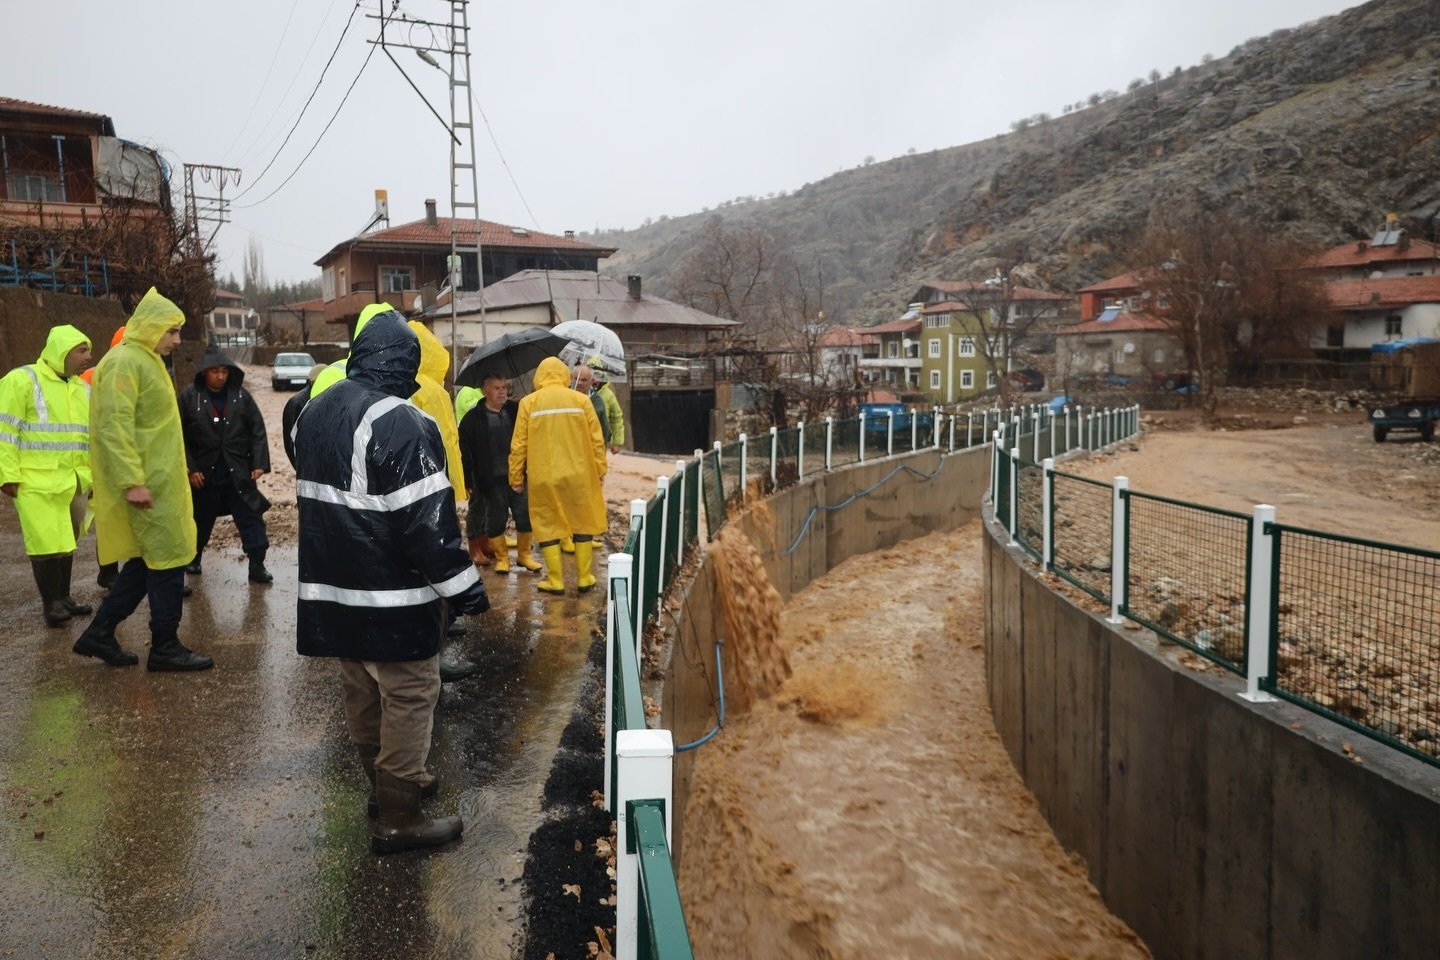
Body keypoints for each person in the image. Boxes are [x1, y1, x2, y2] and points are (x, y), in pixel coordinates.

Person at [293, 309, 487, 854]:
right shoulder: (402, 421)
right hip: (391, 594)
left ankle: (384, 789)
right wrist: (464, 589)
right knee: (409, 690)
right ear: (406, 365)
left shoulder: (316, 411)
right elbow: (426, 522)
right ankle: (399, 819)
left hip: (330, 589)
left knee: (360, 686)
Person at [72, 287, 212, 671]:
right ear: (150, 327)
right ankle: (165, 646)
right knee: (166, 564)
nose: (177, 340)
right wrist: (132, 480)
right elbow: (112, 427)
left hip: (162, 484)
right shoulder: (123, 363)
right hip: (148, 487)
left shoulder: (146, 360)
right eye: (171, 331)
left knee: (148, 562)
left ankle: (100, 632)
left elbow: (156, 427)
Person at [0, 324, 95, 626]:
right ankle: (51, 604)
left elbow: (89, 437)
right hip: (33, 479)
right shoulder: (22, 379)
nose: (88, 357)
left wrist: (92, 478)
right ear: (62, 352)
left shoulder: (82, 388)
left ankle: (63, 597)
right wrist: (7, 474)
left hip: (72, 479)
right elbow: (5, 430)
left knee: (66, 539)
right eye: (82, 351)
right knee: (44, 542)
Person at [508, 356, 607, 594]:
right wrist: (600, 469)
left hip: (543, 475)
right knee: (582, 521)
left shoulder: (528, 403)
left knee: (546, 523)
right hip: (580, 473)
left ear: (539, 377)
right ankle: (584, 577)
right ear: (565, 376)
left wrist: (516, 477)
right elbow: (597, 440)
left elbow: (518, 444)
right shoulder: (582, 401)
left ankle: (555, 580)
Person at [179, 344, 273, 584]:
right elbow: (178, 437)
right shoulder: (190, 397)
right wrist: (190, 468)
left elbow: (257, 431)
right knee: (198, 521)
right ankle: (193, 558)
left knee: (252, 520)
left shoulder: (242, 397)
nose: (220, 376)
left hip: (238, 474)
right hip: (204, 475)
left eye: (224, 371)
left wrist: (259, 463)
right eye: (215, 371)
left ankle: (257, 564)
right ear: (204, 373)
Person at [459, 372, 543, 576]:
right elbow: (466, 452)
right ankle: (503, 558)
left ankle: (524, 556)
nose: (502, 392)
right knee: (496, 518)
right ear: (485, 391)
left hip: (516, 475)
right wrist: (468, 479)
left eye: (504, 387)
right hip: (490, 478)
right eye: (497, 388)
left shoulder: (515, 410)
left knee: (524, 515)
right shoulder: (473, 419)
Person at [572, 364, 611, 446]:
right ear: (571, 378)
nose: (579, 383)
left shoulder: (597, 401)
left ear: (592, 381)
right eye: (577, 379)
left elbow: (604, 430)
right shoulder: (564, 398)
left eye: (584, 380)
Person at [595, 370, 625, 454]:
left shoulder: (608, 395)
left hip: (600, 438)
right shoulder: (576, 392)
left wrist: (617, 441)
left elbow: (616, 418)